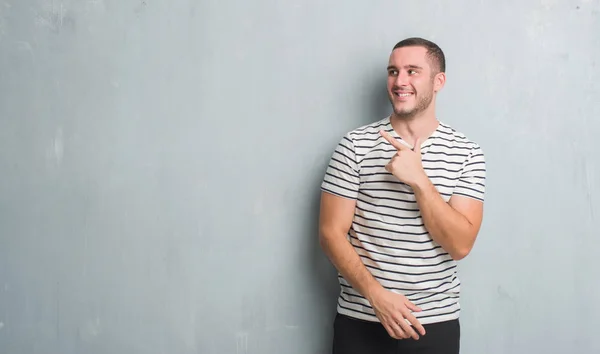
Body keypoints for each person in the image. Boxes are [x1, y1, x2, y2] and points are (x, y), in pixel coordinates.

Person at [318, 37, 486, 354]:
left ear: (439, 81)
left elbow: (460, 244)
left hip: (433, 324)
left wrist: (419, 180)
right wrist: (376, 297)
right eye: (393, 71)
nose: (400, 81)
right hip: (362, 319)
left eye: (412, 71)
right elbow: (330, 233)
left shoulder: (466, 153)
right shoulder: (354, 145)